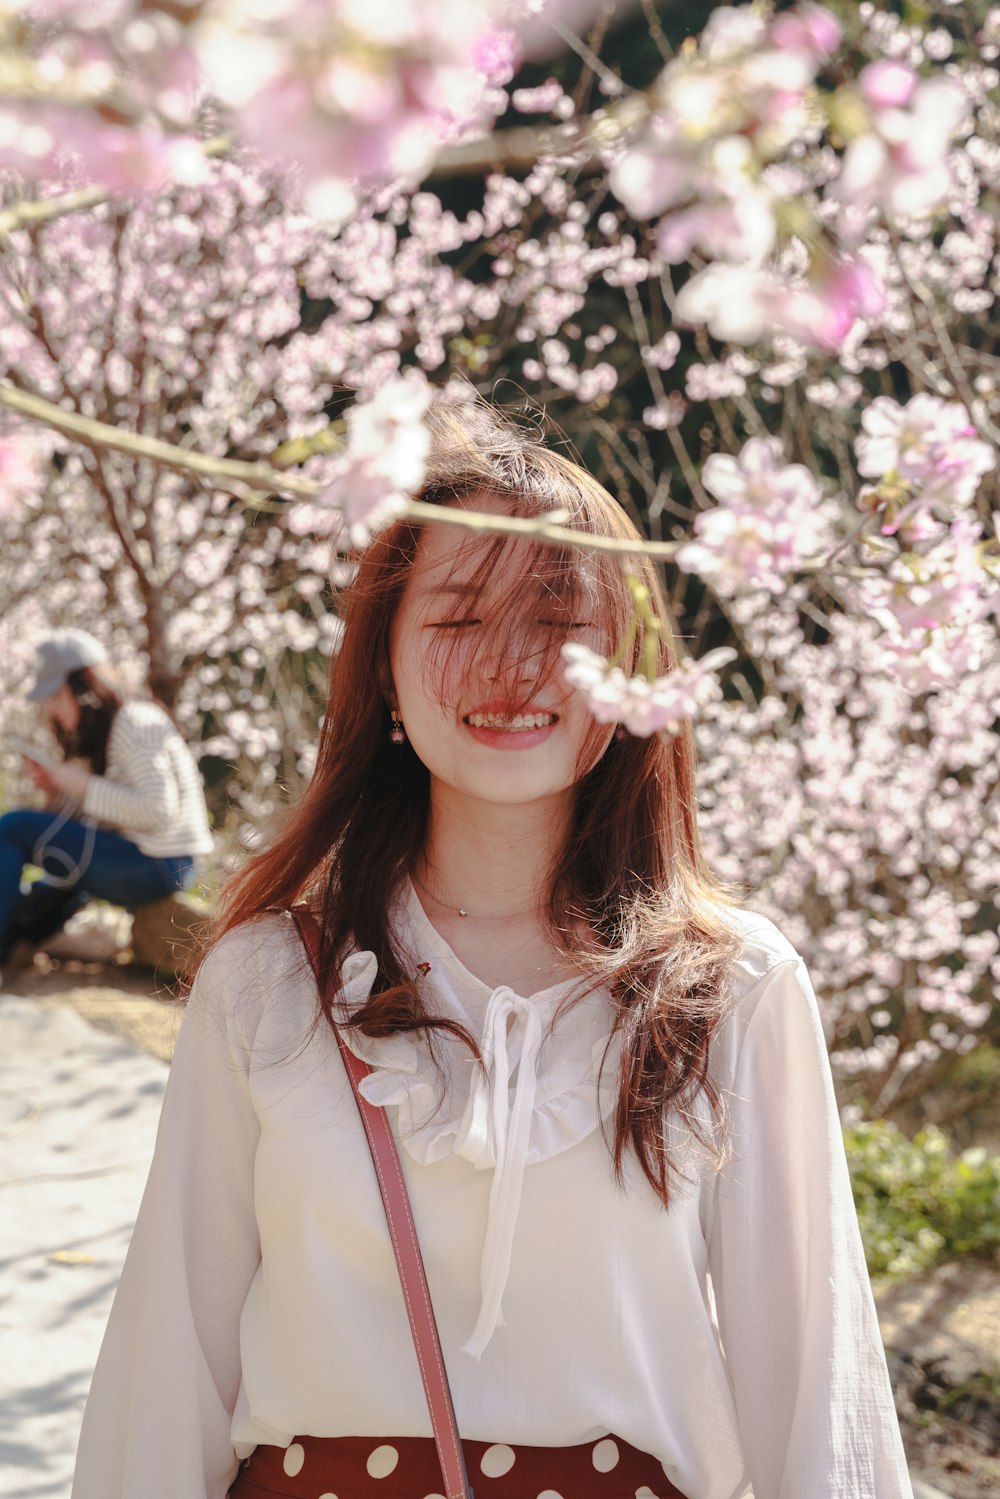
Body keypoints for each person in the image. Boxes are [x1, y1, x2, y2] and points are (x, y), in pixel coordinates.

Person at [71, 404, 913, 1499]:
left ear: (631, 670)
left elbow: (816, 1395)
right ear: (382, 666)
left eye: (560, 620)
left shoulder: (733, 989)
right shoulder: (269, 981)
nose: (512, 664)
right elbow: (166, 1364)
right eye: (459, 617)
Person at [0, 628, 214, 970]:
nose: (51, 712)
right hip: (149, 860)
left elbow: (158, 809)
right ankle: (13, 945)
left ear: (84, 687)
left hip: (161, 862)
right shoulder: (108, 731)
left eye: (55, 697)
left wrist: (82, 784)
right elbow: (92, 825)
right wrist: (58, 792)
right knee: (58, 878)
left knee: (11, 828)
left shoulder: (134, 721)